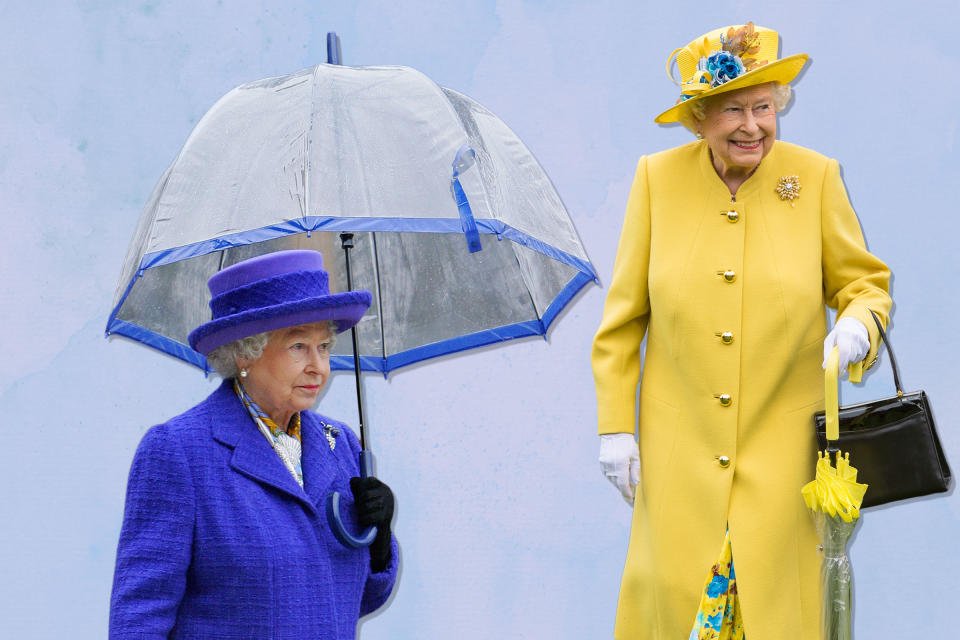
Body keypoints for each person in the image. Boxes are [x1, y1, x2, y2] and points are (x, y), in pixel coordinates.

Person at [591, 23, 891, 639]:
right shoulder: (655, 180)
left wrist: (859, 325)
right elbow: (623, 323)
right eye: (733, 109)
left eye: (764, 106)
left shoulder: (815, 178)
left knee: (782, 617)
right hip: (679, 464)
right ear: (698, 119)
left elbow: (863, 286)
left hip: (785, 467)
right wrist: (616, 427)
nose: (753, 125)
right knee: (674, 618)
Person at [109, 249, 398, 639]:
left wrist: (378, 541)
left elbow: (354, 598)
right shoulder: (179, 452)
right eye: (299, 347)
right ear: (246, 352)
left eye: (324, 346)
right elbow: (140, 618)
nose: (320, 367)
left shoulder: (341, 445)